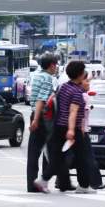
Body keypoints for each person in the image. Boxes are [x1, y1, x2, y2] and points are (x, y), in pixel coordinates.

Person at [36, 60, 92, 194]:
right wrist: (72, 130)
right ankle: (83, 186)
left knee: (58, 157)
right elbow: (73, 112)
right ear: (79, 75)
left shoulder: (63, 87)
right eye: (83, 72)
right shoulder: (77, 93)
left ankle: (43, 180)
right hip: (71, 129)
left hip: (58, 126)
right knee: (82, 157)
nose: (85, 74)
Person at [27, 54, 58, 193]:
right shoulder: (47, 78)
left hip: (35, 113)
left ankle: (32, 184)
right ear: (51, 65)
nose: (56, 68)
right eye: (55, 65)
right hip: (43, 116)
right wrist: (36, 120)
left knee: (33, 152)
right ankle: (43, 182)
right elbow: (41, 99)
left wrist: (34, 117)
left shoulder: (37, 76)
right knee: (50, 150)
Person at [78, 75, 105, 190]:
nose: (89, 83)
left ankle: (62, 181)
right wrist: (82, 130)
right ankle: (95, 182)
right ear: (80, 82)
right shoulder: (84, 96)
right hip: (82, 131)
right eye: (86, 81)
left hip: (79, 130)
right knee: (89, 158)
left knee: (75, 158)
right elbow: (82, 116)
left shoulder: (76, 94)